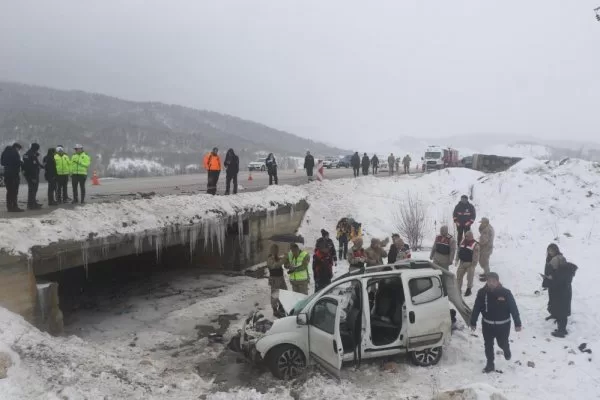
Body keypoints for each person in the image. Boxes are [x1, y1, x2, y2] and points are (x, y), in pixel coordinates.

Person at [470, 272, 522, 373]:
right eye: (489, 281)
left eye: (494, 281)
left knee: (501, 343)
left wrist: (517, 323)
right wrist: (473, 322)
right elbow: (476, 308)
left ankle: (506, 349)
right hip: (487, 324)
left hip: (503, 325)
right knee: (488, 344)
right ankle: (490, 364)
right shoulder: (482, 293)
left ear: (498, 282)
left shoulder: (506, 293)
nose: (491, 283)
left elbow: (513, 308)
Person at [542, 244, 577, 338]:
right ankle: (554, 315)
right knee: (555, 304)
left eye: (552, 250)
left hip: (561, 289)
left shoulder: (557, 260)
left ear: (556, 250)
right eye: (549, 250)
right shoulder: (554, 259)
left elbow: (557, 275)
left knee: (561, 310)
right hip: (557, 287)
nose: (550, 252)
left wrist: (550, 278)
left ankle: (561, 331)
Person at [455, 231, 480, 296]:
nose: (466, 237)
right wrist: (457, 259)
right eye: (465, 236)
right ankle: (458, 289)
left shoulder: (475, 244)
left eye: (467, 236)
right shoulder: (462, 242)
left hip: (470, 264)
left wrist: (473, 265)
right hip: (462, 262)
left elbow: (476, 256)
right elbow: (458, 251)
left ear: (471, 236)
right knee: (459, 276)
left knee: (470, 277)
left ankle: (469, 289)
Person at [1, 143, 24, 212]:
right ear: (16, 147)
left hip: (7, 174)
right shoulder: (14, 152)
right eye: (19, 149)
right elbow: (17, 162)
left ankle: (9, 207)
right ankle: (14, 206)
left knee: (9, 191)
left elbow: (2, 163)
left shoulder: (5, 152)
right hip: (14, 174)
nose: (19, 150)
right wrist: (21, 163)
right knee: (14, 191)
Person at [266, 244, 287, 317]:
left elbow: (280, 264)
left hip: (280, 278)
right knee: (275, 294)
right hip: (274, 279)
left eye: (277, 249)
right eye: (275, 249)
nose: (276, 251)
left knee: (284, 292)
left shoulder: (277, 257)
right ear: (272, 250)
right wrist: (283, 260)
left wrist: (285, 259)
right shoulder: (270, 258)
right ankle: (275, 310)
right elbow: (274, 266)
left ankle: (281, 307)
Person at [22, 143, 43, 210]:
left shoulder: (28, 154)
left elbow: (36, 163)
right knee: (33, 190)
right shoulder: (31, 155)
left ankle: (33, 203)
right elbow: (31, 167)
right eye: (37, 149)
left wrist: (42, 166)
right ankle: (31, 205)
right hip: (32, 175)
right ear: (35, 148)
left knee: (33, 189)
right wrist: (33, 177)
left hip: (29, 174)